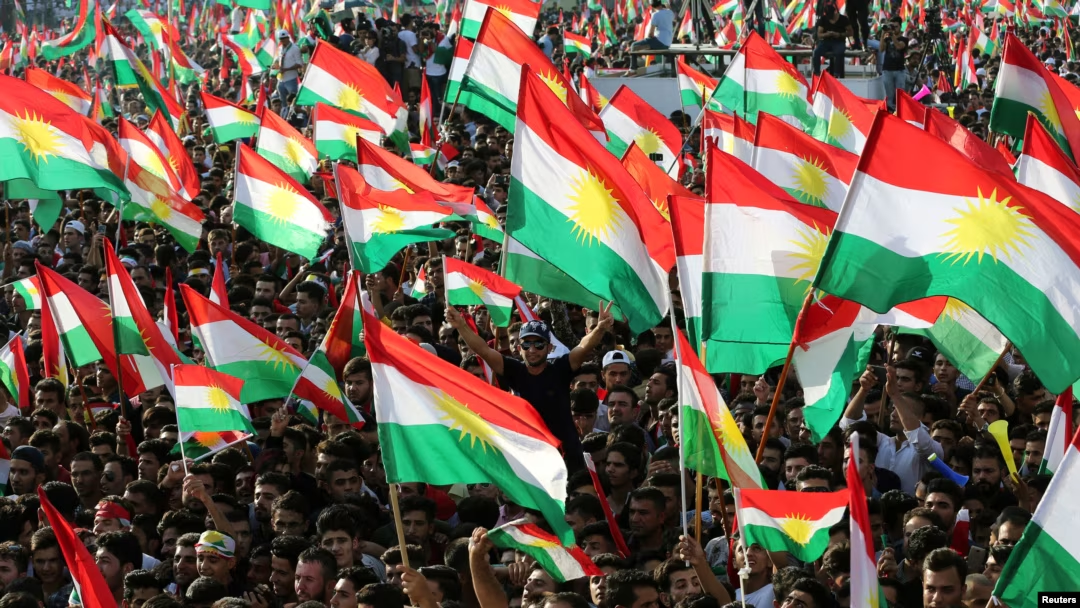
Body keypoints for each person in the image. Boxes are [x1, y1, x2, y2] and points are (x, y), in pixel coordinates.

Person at [630, 0, 675, 69]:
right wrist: (668, 8)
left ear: (652, 6)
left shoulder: (655, 15)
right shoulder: (670, 12)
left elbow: (650, 33)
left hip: (659, 42)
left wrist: (649, 37)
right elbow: (670, 16)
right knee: (646, 46)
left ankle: (632, 69)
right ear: (660, 3)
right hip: (668, 43)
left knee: (634, 45)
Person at [814, 1, 852, 77]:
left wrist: (840, 34)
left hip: (839, 41)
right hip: (826, 41)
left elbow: (850, 32)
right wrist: (827, 34)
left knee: (839, 52)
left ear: (835, 12)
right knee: (816, 52)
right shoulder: (823, 19)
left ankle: (836, 74)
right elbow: (819, 34)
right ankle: (816, 72)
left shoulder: (843, 19)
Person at [272, 31, 303, 113]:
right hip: (281, 79)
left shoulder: (295, 48)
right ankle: (284, 115)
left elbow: (299, 64)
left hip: (291, 78)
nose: (282, 40)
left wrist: (287, 69)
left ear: (288, 38)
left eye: (283, 38)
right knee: (283, 102)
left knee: (293, 100)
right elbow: (277, 60)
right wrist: (275, 65)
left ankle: (293, 114)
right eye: (280, 39)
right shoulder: (280, 48)